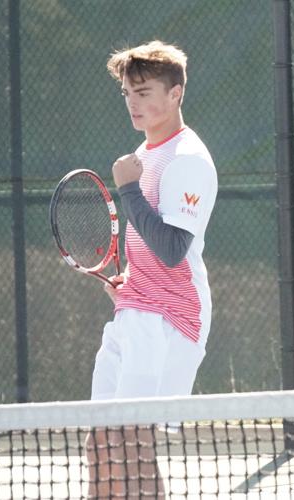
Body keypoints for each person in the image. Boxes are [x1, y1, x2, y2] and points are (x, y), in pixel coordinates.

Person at [86, 40, 218, 499]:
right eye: (127, 92)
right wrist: (131, 285)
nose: (132, 102)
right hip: (136, 310)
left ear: (176, 93)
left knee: (132, 443)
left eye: (143, 92)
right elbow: (149, 251)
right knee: (100, 443)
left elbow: (172, 250)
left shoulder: (188, 160)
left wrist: (129, 191)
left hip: (172, 319)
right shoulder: (144, 154)